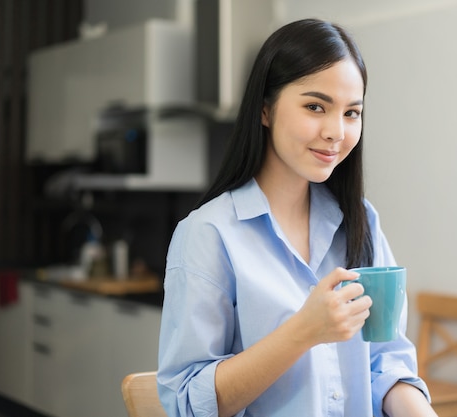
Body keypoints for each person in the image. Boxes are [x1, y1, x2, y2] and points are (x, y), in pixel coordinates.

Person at [157, 18, 437, 417]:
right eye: (315, 107)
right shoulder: (208, 234)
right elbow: (186, 403)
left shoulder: (362, 221)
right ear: (266, 109)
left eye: (351, 113)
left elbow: (387, 362)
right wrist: (305, 330)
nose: (335, 132)